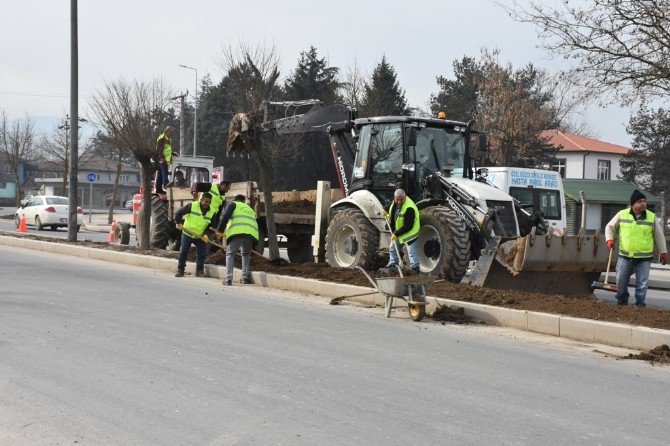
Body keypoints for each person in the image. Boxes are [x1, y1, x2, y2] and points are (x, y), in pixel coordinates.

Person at [605, 190, 668, 307]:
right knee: (620, 280)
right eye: (640, 201)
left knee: (642, 283)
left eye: (644, 201)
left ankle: (640, 304)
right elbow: (609, 227)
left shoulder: (651, 217)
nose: (643, 204)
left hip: (644, 257)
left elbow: (659, 236)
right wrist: (609, 239)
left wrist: (663, 251)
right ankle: (622, 300)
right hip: (625, 255)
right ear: (633, 203)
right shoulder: (622, 214)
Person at [216, 194, 259, 286]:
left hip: (238, 232)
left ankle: (228, 279)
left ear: (236, 200)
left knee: (230, 254)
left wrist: (219, 231)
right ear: (243, 201)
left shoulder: (233, 204)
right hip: (251, 233)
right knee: (246, 254)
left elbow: (225, 217)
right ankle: (245, 277)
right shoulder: (250, 209)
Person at [174, 192, 216, 278]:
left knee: (202, 253)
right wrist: (178, 223)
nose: (207, 204)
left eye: (209, 202)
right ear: (201, 200)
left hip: (199, 235)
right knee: (184, 251)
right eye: (205, 201)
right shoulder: (192, 206)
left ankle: (199, 271)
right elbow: (178, 212)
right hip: (187, 233)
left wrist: (206, 235)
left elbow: (211, 226)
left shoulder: (212, 212)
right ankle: (180, 270)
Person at [384, 188, 421, 272]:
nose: (399, 202)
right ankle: (393, 265)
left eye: (401, 200)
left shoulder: (409, 208)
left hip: (410, 233)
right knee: (393, 248)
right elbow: (392, 205)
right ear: (394, 198)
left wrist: (396, 233)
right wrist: (384, 209)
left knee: (412, 252)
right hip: (399, 232)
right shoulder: (395, 201)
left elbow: (408, 226)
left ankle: (415, 268)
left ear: (405, 197)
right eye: (397, 200)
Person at [156, 126, 178, 190]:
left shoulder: (168, 139)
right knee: (164, 172)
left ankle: (159, 188)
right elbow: (158, 149)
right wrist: (163, 158)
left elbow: (167, 149)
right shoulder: (162, 138)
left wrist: (172, 153)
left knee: (160, 174)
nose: (171, 133)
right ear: (166, 131)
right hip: (162, 159)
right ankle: (166, 185)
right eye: (170, 132)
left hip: (165, 159)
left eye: (172, 132)